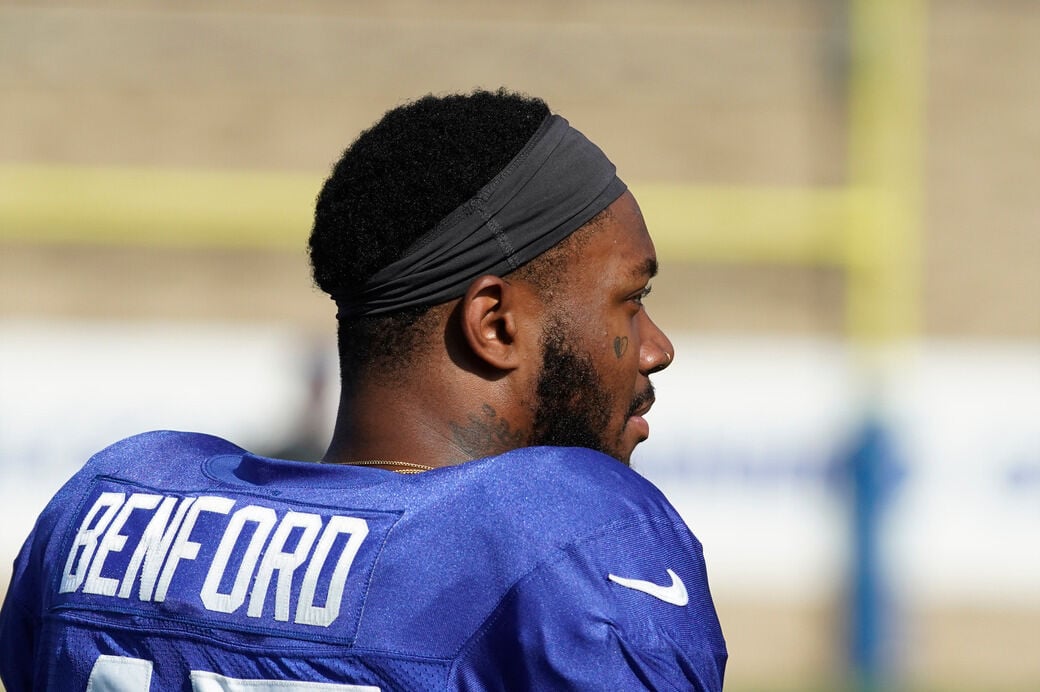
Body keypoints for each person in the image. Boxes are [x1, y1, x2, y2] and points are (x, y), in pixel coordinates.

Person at [0, 88, 727, 690]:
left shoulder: (108, 514)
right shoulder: (574, 539)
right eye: (630, 301)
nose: (657, 347)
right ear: (496, 325)